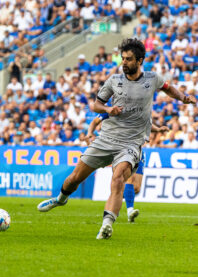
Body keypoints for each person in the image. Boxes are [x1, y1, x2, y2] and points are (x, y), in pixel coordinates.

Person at [37, 38, 196, 239]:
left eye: (129, 59)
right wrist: (107, 109)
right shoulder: (114, 80)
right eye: (123, 58)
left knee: (119, 177)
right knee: (74, 178)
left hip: (131, 142)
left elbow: (168, 88)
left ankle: (107, 224)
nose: (124, 62)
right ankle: (60, 199)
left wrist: (183, 98)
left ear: (140, 61)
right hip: (106, 138)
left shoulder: (152, 79)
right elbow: (95, 105)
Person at [86, 112, 169, 222]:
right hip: (122, 149)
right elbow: (95, 121)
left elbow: (146, 124)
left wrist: (158, 130)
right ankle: (130, 211)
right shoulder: (112, 109)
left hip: (138, 149)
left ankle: (116, 198)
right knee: (129, 179)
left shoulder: (138, 109)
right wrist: (90, 132)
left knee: (136, 188)